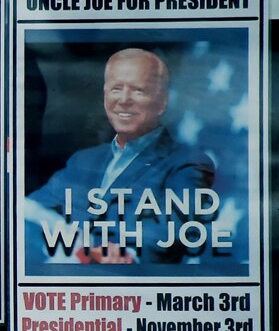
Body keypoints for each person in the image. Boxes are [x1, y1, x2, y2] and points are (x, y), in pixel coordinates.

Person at [25, 48, 216, 265]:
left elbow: (168, 231)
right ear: (105, 96)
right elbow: (31, 210)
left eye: (138, 90)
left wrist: (126, 255)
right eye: (116, 89)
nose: (124, 100)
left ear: (162, 101)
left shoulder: (188, 164)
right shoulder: (83, 161)